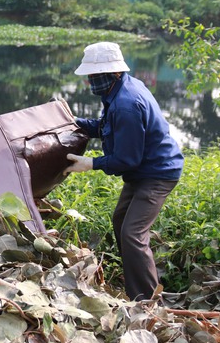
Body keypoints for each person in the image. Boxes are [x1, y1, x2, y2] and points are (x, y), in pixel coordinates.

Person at [63, 42, 184, 301]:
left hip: (157, 173)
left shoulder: (126, 103)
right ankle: (136, 284)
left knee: (132, 233)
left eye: (96, 75)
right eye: (90, 76)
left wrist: (91, 163)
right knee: (121, 220)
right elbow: (108, 126)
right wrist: (74, 122)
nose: (91, 81)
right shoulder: (120, 90)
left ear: (114, 72)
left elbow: (127, 159)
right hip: (143, 170)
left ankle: (148, 301)